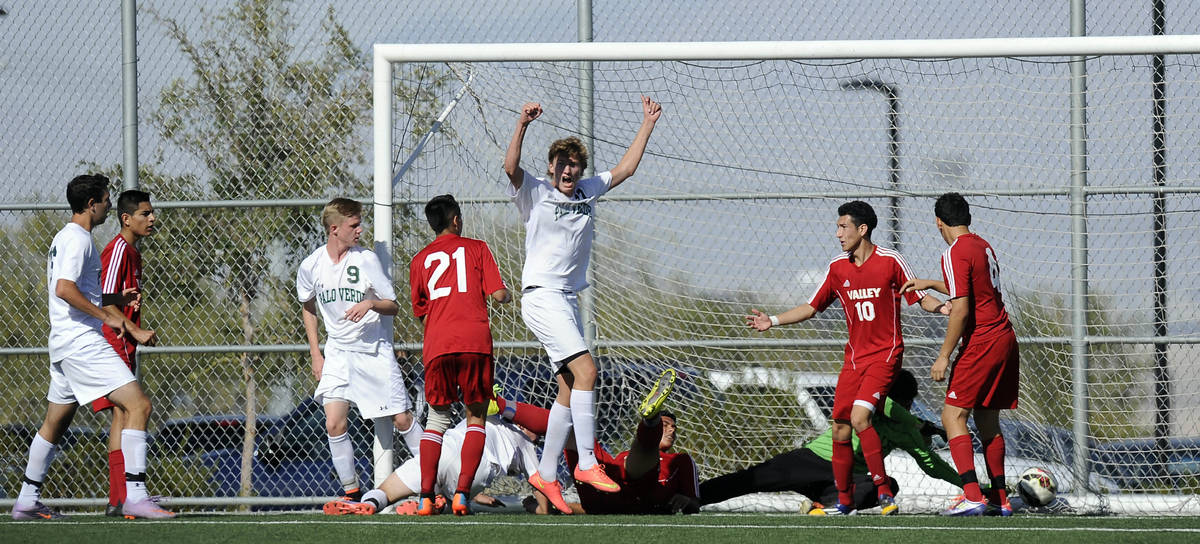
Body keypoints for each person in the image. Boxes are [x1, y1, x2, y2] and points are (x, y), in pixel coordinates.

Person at [502, 95, 663, 512]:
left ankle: (547, 473)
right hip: (542, 296)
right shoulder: (535, 192)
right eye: (562, 163)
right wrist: (522, 124)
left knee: (569, 387)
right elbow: (510, 168)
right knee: (588, 370)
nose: (568, 169)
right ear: (551, 166)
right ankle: (587, 462)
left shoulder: (588, 190)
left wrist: (647, 123)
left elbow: (626, 168)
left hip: (566, 301)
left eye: (575, 164)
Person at [746, 200, 949, 516]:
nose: (838, 233)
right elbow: (811, 307)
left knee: (859, 418)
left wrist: (942, 307)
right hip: (854, 360)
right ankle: (843, 501)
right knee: (840, 427)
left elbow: (918, 296)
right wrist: (772, 320)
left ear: (862, 229)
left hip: (885, 356)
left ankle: (883, 493)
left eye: (844, 227)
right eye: (837, 227)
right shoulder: (837, 268)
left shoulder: (891, 261)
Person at [12, 174, 173, 520]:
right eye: (105, 200)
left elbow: (78, 289)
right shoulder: (78, 239)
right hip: (82, 342)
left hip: (63, 345)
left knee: (54, 423)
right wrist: (110, 316)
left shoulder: (64, 238)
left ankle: (26, 498)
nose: (108, 207)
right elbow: (65, 289)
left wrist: (114, 299)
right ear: (91, 205)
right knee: (138, 405)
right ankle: (135, 496)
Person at [900, 192, 1020, 516]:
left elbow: (962, 309)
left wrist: (944, 356)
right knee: (986, 419)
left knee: (952, 416)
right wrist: (931, 284)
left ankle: (971, 496)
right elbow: (973, 288)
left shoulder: (954, 252)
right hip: (1005, 338)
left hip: (982, 342)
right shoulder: (982, 245)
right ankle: (1000, 498)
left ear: (939, 222)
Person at [297, 197, 423, 502]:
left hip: (374, 352)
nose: (360, 230)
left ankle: (436, 480)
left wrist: (369, 303)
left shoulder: (365, 259)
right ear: (334, 229)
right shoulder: (311, 265)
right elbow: (307, 306)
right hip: (339, 353)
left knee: (403, 419)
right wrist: (316, 353)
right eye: (354, 225)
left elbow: (392, 306)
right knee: (333, 422)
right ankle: (352, 495)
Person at [698, 369, 962, 513]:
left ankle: (825, 504)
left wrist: (970, 485)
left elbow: (931, 465)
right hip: (812, 460)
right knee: (750, 479)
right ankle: (691, 494)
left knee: (888, 486)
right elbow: (888, 404)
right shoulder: (871, 405)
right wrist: (919, 423)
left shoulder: (906, 431)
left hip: (844, 480)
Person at [408, 194, 511, 516]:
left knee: (436, 421)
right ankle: (462, 495)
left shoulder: (419, 259)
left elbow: (420, 310)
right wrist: (506, 295)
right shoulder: (477, 248)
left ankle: (426, 497)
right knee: (476, 418)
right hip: (474, 342)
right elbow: (497, 294)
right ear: (456, 220)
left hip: (438, 346)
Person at [524, 369, 701, 516]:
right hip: (609, 480)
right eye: (665, 425)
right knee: (571, 429)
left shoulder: (680, 460)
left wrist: (686, 501)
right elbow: (596, 507)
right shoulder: (628, 455)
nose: (672, 430)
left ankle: (650, 420)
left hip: (640, 496)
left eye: (674, 427)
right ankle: (519, 418)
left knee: (642, 462)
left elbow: (694, 503)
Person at [91, 189, 159, 517]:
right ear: (126, 218)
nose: (152, 219)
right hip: (112, 340)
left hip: (123, 341)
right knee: (134, 409)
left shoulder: (134, 253)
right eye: (145, 213)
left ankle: (119, 499)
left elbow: (117, 296)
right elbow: (102, 299)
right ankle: (128, 494)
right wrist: (134, 330)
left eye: (151, 212)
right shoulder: (118, 249)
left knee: (122, 414)